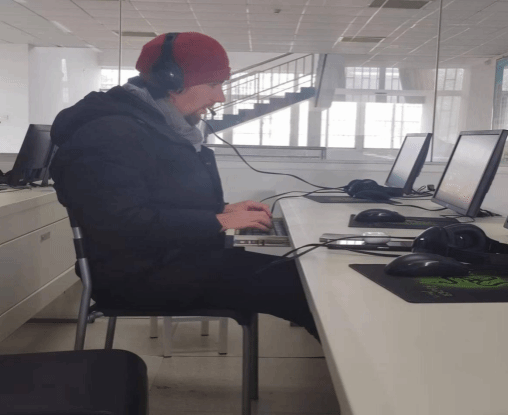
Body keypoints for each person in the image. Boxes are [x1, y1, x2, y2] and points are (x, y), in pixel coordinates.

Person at [49, 32, 319, 341]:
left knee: (301, 278)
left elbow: (161, 198)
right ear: (171, 81)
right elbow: (122, 223)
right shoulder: (108, 133)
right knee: (301, 286)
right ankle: (355, 368)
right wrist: (220, 221)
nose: (221, 97)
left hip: (171, 260)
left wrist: (223, 210)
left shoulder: (149, 126)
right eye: (214, 84)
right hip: (137, 276)